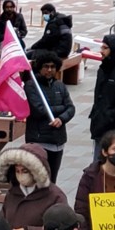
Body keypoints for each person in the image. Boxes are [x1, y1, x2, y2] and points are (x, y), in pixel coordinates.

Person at [0, 143, 67, 230]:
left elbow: (62, 229)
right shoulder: (12, 193)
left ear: (35, 171)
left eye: (24, 171)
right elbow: (2, 220)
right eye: (17, 171)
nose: (20, 175)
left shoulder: (55, 196)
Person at [23, 51, 75, 184]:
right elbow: (39, 110)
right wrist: (60, 108)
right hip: (39, 139)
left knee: (52, 179)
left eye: (52, 67)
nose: (49, 70)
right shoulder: (31, 86)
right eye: (46, 66)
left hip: (58, 140)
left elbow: (71, 108)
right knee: (39, 178)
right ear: (39, 68)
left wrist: (61, 118)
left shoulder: (60, 86)